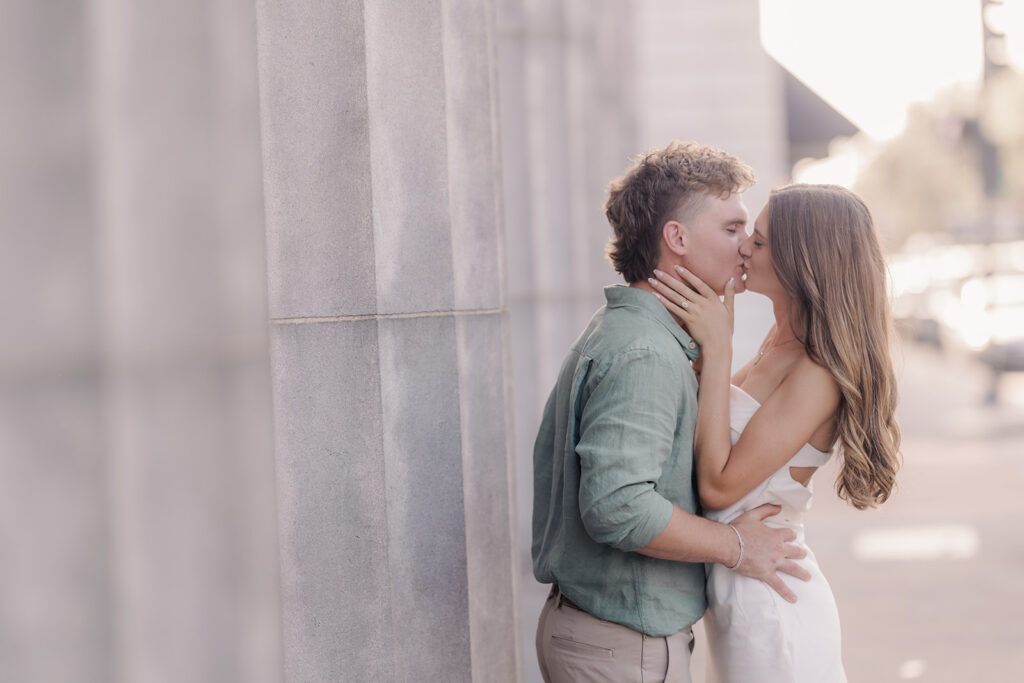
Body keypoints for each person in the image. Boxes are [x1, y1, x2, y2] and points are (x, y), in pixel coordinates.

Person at [532, 141, 811, 683]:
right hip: (620, 646)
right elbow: (616, 507)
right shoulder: (647, 353)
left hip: (612, 640)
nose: (746, 249)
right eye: (731, 229)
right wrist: (737, 547)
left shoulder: (641, 337)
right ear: (677, 238)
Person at [649, 183, 901, 682]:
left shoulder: (816, 372)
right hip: (738, 591)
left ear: (801, 262)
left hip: (773, 603)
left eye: (758, 242)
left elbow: (719, 485)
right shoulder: (776, 341)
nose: (743, 246)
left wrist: (717, 348)